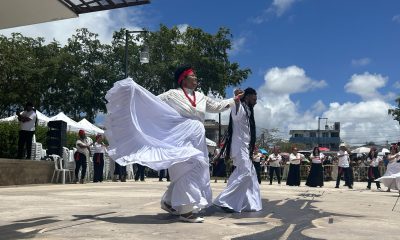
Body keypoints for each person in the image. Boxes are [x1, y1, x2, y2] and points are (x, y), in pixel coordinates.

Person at [105, 65, 239, 223]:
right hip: (179, 138)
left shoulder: (201, 96)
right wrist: (133, 93)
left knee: (196, 168)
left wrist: (233, 100)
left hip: (197, 139)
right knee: (187, 169)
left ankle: (170, 202)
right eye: (193, 76)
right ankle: (186, 211)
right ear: (183, 79)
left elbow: (217, 106)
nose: (196, 78)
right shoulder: (172, 95)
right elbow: (151, 102)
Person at [213, 88, 262, 213]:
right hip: (239, 146)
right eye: (254, 99)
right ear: (247, 97)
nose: (256, 102)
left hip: (245, 147)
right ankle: (224, 200)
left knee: (250, 175)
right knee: (245, 172)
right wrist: (236, 97)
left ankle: (249, 203)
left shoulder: (249, 111)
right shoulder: (239, 107)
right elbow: (235, 109)